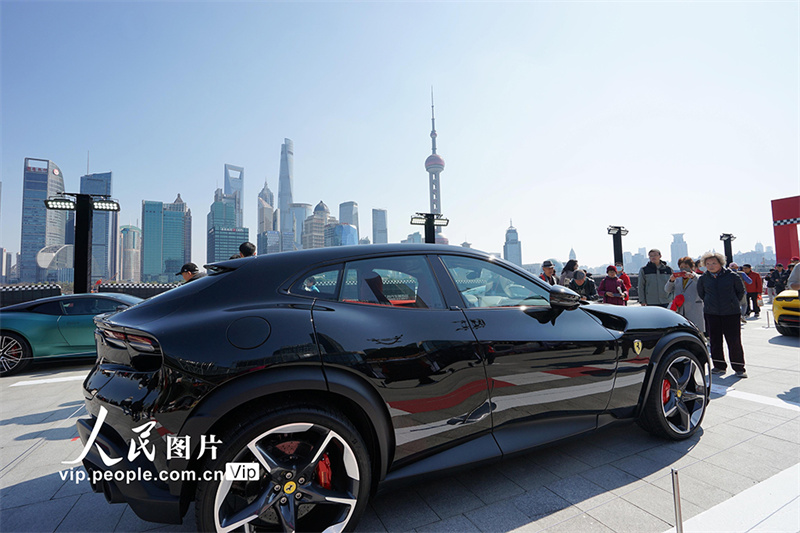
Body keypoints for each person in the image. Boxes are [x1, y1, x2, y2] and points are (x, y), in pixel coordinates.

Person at [697, 251, 747, 378]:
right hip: (711, 313)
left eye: (714, 263)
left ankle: (739, 368)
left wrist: (731, 303)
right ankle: (719, 366)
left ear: (721, 263)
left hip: (731, 313)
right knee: (714, 341)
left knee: (734, 341)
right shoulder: (703, 278)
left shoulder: (732, 276)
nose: (711, 266)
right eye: (708, 264)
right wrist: (710, 304)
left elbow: (740, 292)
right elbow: (702, 294)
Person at [664, 257, 704, 333]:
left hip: (694, 307)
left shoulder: (698, 277)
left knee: (696, 330)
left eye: (686, 267)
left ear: (691, 267)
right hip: (680, 307)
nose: (683, 269)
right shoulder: (677, 278)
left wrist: (692, 277)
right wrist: (671, 281)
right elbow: (667, 290)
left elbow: (702, 285)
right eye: (681, 267)